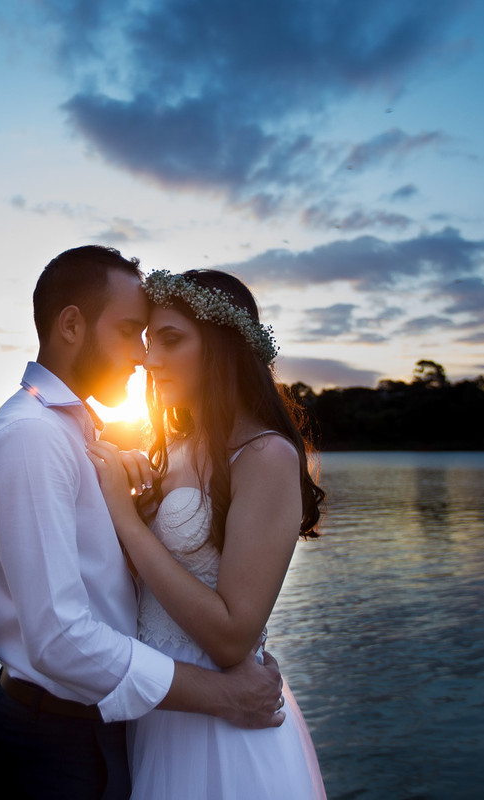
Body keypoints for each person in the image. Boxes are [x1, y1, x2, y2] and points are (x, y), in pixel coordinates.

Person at [0, 247, 288, 799]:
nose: (143, 357)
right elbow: (60, 638)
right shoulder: (32, 438)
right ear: (72, 325)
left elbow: (104, 581)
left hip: (120, 723)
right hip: (57, 741)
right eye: (132, 331)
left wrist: (134, 510)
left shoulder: (77, 432)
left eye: (159, 338)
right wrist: (225, 695)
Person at [86, 268, 327, 799]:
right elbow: (144, 583)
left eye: (171, 341)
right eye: (149, 343)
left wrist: (126, 521)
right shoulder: (173, 450)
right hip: (162, 709)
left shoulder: (265, 457)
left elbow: (232, 636)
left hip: (220, 728)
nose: (150, 359)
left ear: (222, 347)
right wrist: (129, 489)